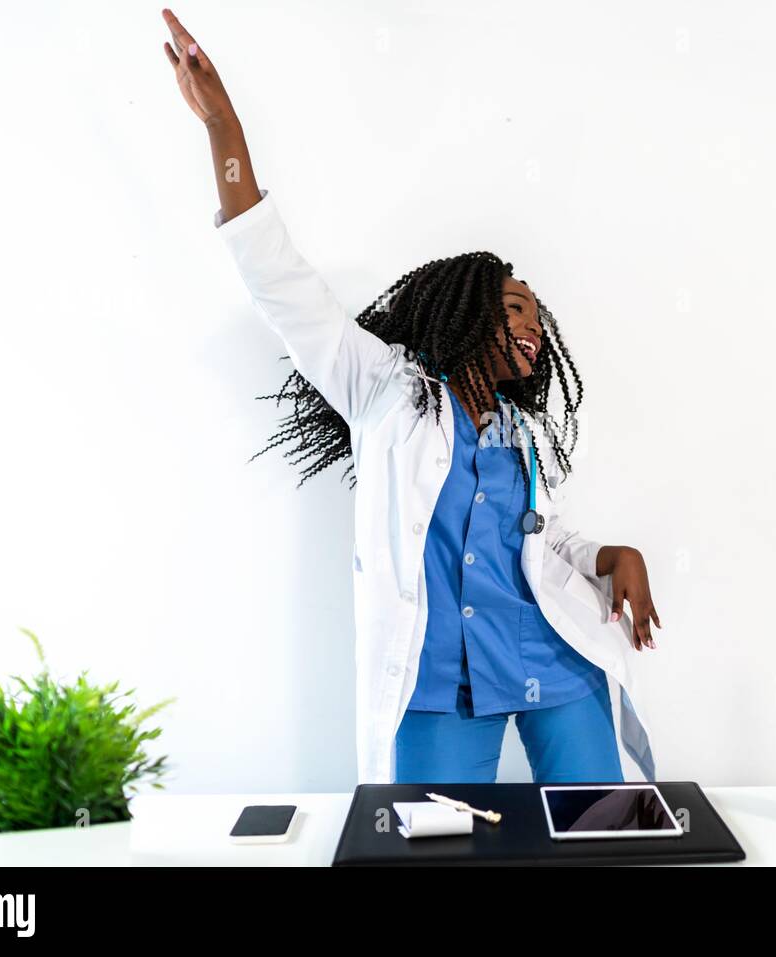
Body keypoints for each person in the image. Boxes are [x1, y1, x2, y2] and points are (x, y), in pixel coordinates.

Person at [162, 9, 661, 784]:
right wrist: (223, 128)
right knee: (431, 848)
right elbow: (281, 283)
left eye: (538, 315)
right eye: (517, 307)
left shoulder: (516, 433)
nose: (535, 327)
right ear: (465, 311)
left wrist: (610, 554)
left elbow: (541, 539)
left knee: (599, 836)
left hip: (551, 658)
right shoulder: (386, 393)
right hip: (439, 685)